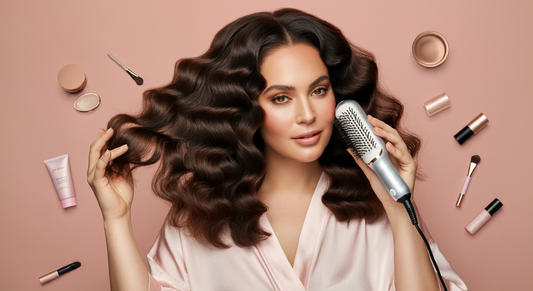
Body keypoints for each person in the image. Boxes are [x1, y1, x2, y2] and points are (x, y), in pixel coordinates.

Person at [87, 8, 467, 291]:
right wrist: (116, 219)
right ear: (244, 107)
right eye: (281, 97)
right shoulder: (200, 216)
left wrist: (400, 212)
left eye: (319, 91)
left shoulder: (379, 207)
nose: (308, 115)